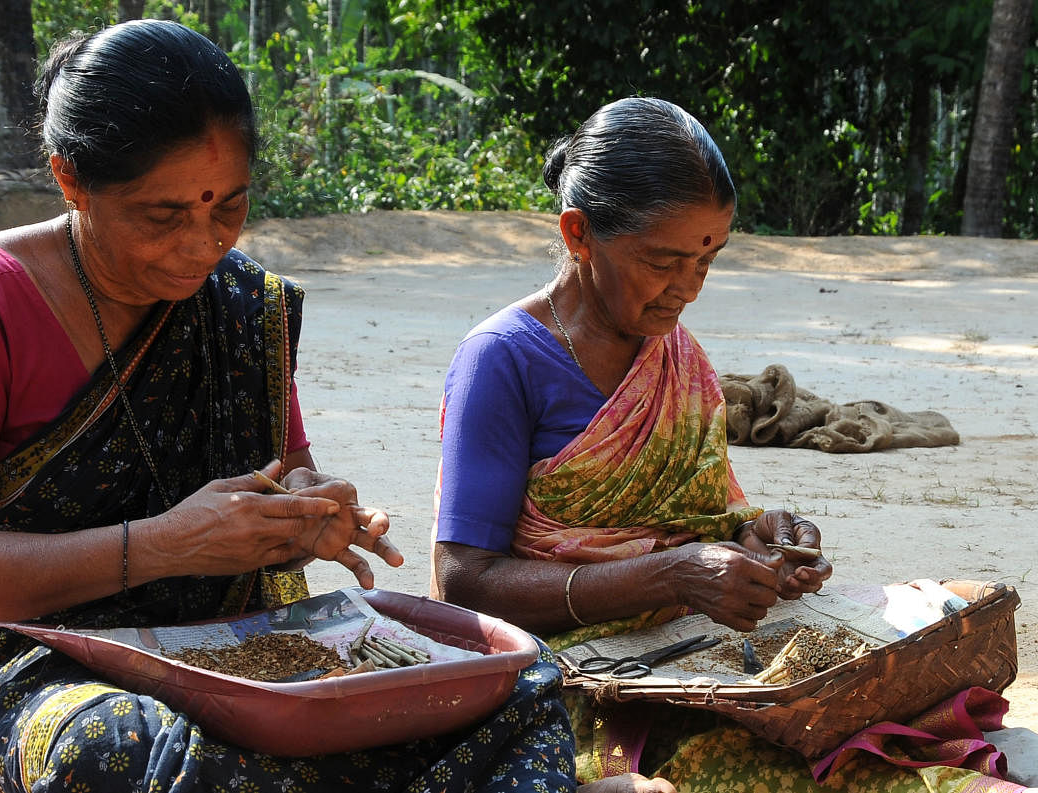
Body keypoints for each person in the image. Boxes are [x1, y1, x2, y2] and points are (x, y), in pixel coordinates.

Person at [0, 20, 579, 793]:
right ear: (71, 179)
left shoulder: (240, 307)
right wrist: (162, 545)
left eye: (229, 208)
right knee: (119, 753)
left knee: (521, 680)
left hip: (227, 654)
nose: (203, 245)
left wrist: (305, 514)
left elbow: (287, 483)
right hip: (29, 666)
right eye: (162, 216)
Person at [431, 97, 1018, 792]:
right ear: (579, 233)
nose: (688, 289)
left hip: (703, 648)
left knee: (905, 671)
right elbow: (463, 581)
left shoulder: (678, 355)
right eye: (663, 261)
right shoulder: (503, 359)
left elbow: (701, 518)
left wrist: (761, 540)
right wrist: (672, 575)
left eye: (707, 260)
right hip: (581, 681)